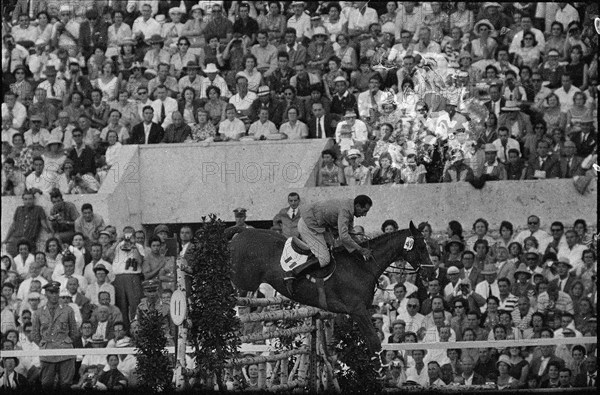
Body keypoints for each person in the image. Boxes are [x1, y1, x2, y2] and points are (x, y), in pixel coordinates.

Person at [286, 195, 373, 294]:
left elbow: (350, 232)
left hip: (316, 224)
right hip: (309, 225)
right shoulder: (346, 210)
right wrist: (361, 249)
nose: (365, 215)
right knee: (324, 259)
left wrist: (362, 246)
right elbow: (344, 236)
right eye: (364, 211)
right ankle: (293, 273)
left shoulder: (349, 207)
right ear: (357, 206)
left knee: (333, 250)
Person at [31, 281, 79, 389]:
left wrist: (65, 341)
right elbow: (35, 334)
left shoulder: (68, 310)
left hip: (65, 351)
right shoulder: (38, 312)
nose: (54, 295)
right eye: (51, 292)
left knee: (66, 384)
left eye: (56, 292)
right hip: (47, 352)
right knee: (46, 383)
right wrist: (44, 344)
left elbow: (74, 332)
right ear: (45, 294)